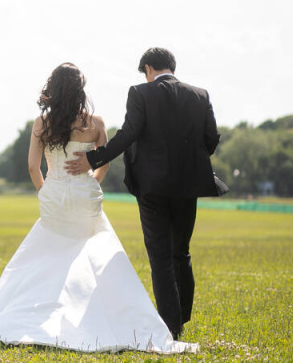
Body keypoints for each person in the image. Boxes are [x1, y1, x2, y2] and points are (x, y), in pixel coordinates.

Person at [0, 63, 197, 353]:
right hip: (86, 196)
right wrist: (91, 184)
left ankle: (40, 316)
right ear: (80, 90)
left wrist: (47, 191)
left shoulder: (42, 123)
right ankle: (102, 318)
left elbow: (33, 166)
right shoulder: (95, 123)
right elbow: (104, 162)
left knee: (47, 256)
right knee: (92, 257)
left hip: (56, 195)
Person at [65, 47, 220, 340]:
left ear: (148, 68)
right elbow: (210, 140)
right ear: (172, 67)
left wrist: (94, 158)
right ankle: (182, 317)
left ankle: (171, 327)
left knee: (160, 257)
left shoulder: (140, 93)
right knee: (181, 252)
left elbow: (128, 133)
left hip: (152, 187)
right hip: (188, 186)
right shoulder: (201, 95)